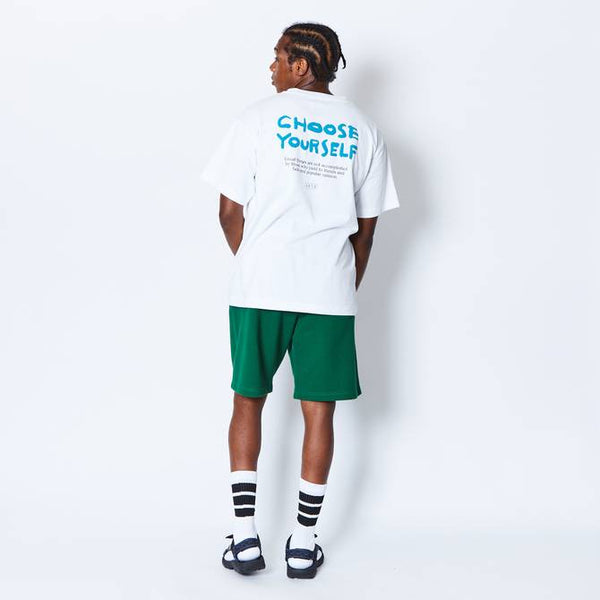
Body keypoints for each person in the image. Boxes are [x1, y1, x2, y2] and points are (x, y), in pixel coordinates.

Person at [200, 21, 400, 579]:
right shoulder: (365, 129)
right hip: (327, 291)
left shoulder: (256, 118)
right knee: (319, 411)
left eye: (278, 57)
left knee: (247, 399)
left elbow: (228, 210)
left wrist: (256, 263)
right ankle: (304, 543)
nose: (271, 68)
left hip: (260, 287)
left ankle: (244, 537)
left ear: (302, 66)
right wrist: (339, 282)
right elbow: (367, 229)